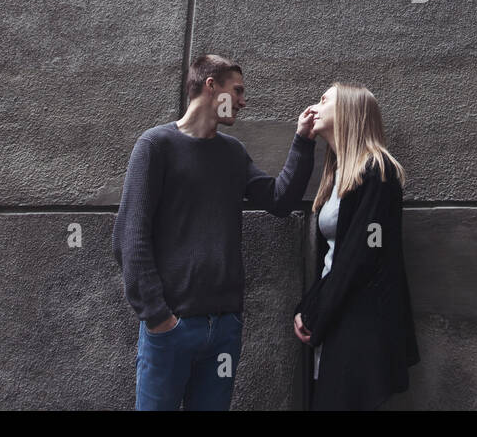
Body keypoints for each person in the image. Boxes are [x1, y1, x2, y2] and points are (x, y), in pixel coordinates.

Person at [112, 53, 318, 411]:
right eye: (236, 90)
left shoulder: (232, 154)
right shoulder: (155, 146)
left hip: (224, 329)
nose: (243, 100)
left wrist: (302, 140)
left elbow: (279, 201)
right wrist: (160, 318)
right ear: (211, 86)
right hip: (170, 329)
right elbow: (130, 239)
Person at [293, 83, 419, 410]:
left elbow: (359, 258)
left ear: (348, 110)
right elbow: (332, 260)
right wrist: (310, 309)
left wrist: (313, 312)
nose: (315, 105)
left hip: (358, 325)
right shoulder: (336, 176)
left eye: (324, 100)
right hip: (335, 319)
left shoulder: (377, 170)